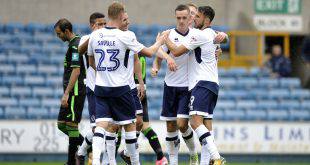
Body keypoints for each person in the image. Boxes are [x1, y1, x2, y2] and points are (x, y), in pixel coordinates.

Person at [87, 2, 165, 165]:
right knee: (130, 126)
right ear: (120, 16)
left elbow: (91, 61)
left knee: (101, 125)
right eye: (125, 17)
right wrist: (160, 41)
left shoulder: (95, 35)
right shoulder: (125, 36)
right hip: (121, 89)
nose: (127, 20)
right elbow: (150, 53)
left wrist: (104, 73)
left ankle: (95, 161)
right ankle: (135, 163)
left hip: (101, 88)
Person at [162, 6, 228, 165]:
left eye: (197, 16)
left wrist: (165, 39)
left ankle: (216, 157)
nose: (193, 19)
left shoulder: (199, 34)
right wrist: (225, 36)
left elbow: (177, 51)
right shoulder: (212, 34)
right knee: (206, 125)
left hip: (201, 83)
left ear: (206, 20)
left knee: (194, 122)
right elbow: (222, 39)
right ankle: (207, 162)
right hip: (213, 84)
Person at [114, 12, 168, 165]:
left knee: (130, 125)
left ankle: (123, 155)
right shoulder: (136, 54)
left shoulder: (134, 55)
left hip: (133, 90)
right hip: (134, 90)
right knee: (140, 125)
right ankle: (159, 157)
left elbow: (137, 70)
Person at [151, 4, 199, 165]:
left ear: (190, 18)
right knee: (171, 125)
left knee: (182, 124)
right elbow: (157, 49)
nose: (181, 21)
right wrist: (166, 58)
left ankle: (193, 153)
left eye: (184, 17)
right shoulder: (169, 33)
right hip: (170, 85)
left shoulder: (195, 35)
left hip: (187, 86)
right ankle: (173, 162)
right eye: (178, 18)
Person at [75, 12, 106, 165]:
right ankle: (85, 155)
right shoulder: (87, 38)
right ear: (92, 26)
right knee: (97, 129)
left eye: (104, 24)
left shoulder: (108, 38)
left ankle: (82, 153)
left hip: (108, 88)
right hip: (93, 88)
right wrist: (95, 35)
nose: (102, 27)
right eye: (99, 24)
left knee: (108, 127)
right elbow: (79, 50)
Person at [54, 18, 86, 165]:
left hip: (75, 92)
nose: (58, 36)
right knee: (62, 124)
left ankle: (70, 162)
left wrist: (67, 93)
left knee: (72, 125)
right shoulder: (74, 44)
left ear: (67, 31)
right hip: (71, 92)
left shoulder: (75, 46)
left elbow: (76, 71)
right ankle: (88, 145)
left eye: (59, 33)